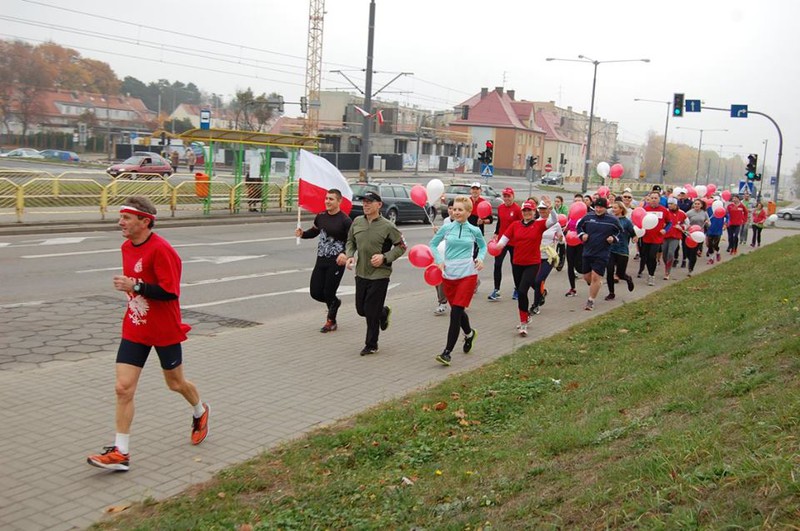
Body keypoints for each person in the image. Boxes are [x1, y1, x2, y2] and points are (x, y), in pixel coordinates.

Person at [87, 196, 208, 472]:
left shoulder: (163, 250)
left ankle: (200, 411)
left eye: (127, 218)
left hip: (164, 329)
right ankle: (121, 453)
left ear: (145, 221)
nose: (121, 222)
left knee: (176, 384)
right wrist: (134, 288)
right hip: (135, 326)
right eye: (121, 217)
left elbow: (169, 292)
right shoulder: (126, 247)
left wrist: (136, 285)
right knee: (123, 388)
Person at [343, 191, 407, 356]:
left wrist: (384, 257)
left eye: (370, 202)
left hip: (380, 274)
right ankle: (383, 312)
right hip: (361, 273)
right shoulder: (357, 222)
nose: (365, 204)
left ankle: (371, 344)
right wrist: (350, 255)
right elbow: (350, 240)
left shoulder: (388, 226)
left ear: (379, 205)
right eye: (364, 201)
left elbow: (401, 247)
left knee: (370, 312)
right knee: (361, 310)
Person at [429, 196, 486, 366]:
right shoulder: (446, 228)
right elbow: (433, 244)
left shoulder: (474, 230)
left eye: (460, 210)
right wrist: (439, 260)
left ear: (469, 212)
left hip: (467, 274)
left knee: (455, 313)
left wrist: (480, 258)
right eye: (454, 209)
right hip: (449, 275)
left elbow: (482, 246)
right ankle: (469, 334)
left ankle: (447, 352)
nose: (456, 212)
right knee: (457, 311)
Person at [495, 199, 558, 336]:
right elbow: (504, 239)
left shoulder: (539, 225)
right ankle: (525, 317)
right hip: (517, 263)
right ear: (522, 212)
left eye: (529, 210)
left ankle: (523, 324)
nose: (527, 213)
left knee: (523, 291)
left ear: (534, 212)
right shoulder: (515, 225)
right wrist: (496, 246)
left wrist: (550, 208)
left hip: (533, 263)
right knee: (520, 292)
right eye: (525, 210)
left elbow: (554, 220)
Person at [295, 189, 352, 333]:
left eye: (331, 199)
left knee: (328, 291)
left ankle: (331, 321)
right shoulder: (320, 217)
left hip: (337, 261)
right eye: (326, 198)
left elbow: (353, 241)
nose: (327, 201)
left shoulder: (345, 221)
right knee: (315, 292)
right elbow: (314, 231)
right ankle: (335, 302)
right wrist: (303, 234)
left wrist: (345, 254)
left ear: (339, 201)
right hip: (321, 260)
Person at [576, 197, 621, 310]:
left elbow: (620, 231)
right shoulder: (588, 217)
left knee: (596, 277)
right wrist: (582, 235)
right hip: (588, 251)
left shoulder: (613, 220)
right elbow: (579, 227)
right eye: (597, 207)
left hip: (602, 253)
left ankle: (591, 300)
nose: (598, 209)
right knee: (586, 277)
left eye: (601, 207)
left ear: (606, 208)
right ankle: (595, 285)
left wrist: (613, 238)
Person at [488, 187, 521, 301]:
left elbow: (522, 224)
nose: (506, 198)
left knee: (515, 266)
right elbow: (500, 222)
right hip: (502, 241)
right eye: (505, 196)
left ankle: (517, 289)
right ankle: (496, 290)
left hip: (513, 241)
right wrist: (496, 233)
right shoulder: (501, 207)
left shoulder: (517, 209)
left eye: (509, 196)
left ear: (513, 196)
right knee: (497, 265)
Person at [530, 201, 563, 315]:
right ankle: (542, 293)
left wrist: (560, 238)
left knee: (539, 280)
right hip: (536, 256)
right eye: (541, 209)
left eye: (545, 209)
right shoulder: (535, 223)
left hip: (549, 257)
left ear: (549, 210)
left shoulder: (555, 224)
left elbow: (562, 240)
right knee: (531, 280)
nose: (542, 211)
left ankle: (535, 305)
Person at [638, 191, 671, 286]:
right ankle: (650, 272)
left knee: (652, 256)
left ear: (659, 199)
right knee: (646, 257)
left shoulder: (664, 210)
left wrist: (665, 230)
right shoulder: (645, 209)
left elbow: (669, 223)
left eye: (655, 198)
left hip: (657, 238)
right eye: (652, 198)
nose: (653, 200)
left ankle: (651, 275)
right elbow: (639, 221)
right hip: (645, 237)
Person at [605, 201, 636, 300]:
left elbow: (633, 233)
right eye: (612, 208)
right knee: (609, 271)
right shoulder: (610, 220)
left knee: (620, 274)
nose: (613, 210)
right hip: (611, 250)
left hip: (622, 250)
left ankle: (628, 279)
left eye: (615, 208)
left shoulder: (626, 222)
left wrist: (635, 237)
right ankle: (611, 293)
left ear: (621, 209)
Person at [433, 200, 455, 315]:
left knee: (454, 280)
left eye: (454, 208)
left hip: (456, 255)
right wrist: (438, 233)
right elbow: (442, 239)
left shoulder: (462, 223)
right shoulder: (446, 221)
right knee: (438, 277)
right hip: (443, 254)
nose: (452, 211)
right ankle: (442, 302)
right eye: (450, 208)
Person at [564, 193, 585, 296]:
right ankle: (572, 288)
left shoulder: (586, 216)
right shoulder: (571, 215)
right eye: (575, 201)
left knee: (579, 266)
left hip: (581, 243)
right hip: (570, 242)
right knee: (570, 265)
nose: (577, 203)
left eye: (579, 201)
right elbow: (567, 226)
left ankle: (588, 275)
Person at [662, 197, 687, 280]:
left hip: (675, 237)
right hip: (665, 236)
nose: (669, 205)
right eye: (668, 204)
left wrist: (681, 227)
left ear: (676, 204)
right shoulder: (665, 211)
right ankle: (667, 265)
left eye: (671, 204)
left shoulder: (682, 213)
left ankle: (667, 272)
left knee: (670, 253)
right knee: (664, 255)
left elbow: (687, 224)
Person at [685, 198, 710, 276]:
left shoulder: (704, 213)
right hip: (689, 235)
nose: (696, 205)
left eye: (698, 204)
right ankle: (690, 261)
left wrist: (707, 223)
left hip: (699, 235)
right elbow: (684, 221)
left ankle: (691, 268)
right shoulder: (689, 213)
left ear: (701, 205)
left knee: (693, 253)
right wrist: (686, 226)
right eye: (695, 204)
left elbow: (709, 223)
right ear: (693, 205)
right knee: (687, 253)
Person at [706, 200, 726, 264]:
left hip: (718, 230)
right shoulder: (709, 209)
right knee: (710, 244)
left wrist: (726, 224)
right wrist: (706, 221)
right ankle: (711, 258)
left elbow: (728, 217)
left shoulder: (723, 210)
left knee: (715, 244)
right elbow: (705, 216)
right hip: (710, 229)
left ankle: (718, 252)